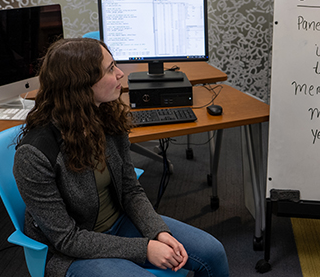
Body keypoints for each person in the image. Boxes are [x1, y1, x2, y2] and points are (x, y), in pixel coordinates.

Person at [13, 38, 230, 277]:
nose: (120, 74)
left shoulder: (105, 116)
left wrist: (159, 232)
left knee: (213, 252)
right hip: (71, 251)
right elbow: (66, 239)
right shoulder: (34, 155)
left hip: (120, 223)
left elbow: (130, 189)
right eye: (109, 70)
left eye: (115, 65)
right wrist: (145, 248)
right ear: (80, 85)